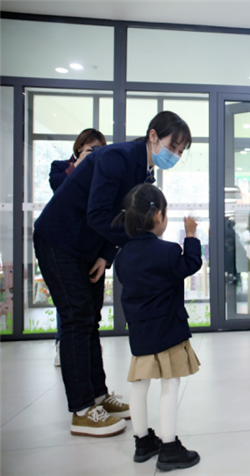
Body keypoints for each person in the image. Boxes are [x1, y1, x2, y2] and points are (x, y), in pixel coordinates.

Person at [33, 111, 191, 437]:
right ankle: (81, 410)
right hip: (58, 241)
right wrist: (140, 245)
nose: (174, 155)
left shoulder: (143, 172)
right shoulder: (117, 157)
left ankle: (98, 397)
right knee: (77, 317)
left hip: (88, 248)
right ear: (152, 136)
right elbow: (100, 213)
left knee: (90, 318)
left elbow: (118, 217)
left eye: (181, 150)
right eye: (172, 146)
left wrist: (106, 255)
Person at [113, 184, 201, 471]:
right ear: (159, 216)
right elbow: (190, 264)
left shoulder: (122, 256)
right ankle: (169, 446)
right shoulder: (167, 251)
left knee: (139, 385)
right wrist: (190, 236)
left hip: (139, 330)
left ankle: (142, 442)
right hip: (169, 329)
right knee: (170, 384)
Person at [49, 128, 107, 367]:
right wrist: (78, 166)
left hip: (92, 247)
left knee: (91, 309)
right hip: (64, 246)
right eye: (90, 149)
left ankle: (89, 348)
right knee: (71, 307)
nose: (95, 154)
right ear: (79, 148)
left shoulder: (103, 172)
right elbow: (59, 189)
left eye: (99, 150)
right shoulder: (60, 167)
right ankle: (63, 344)